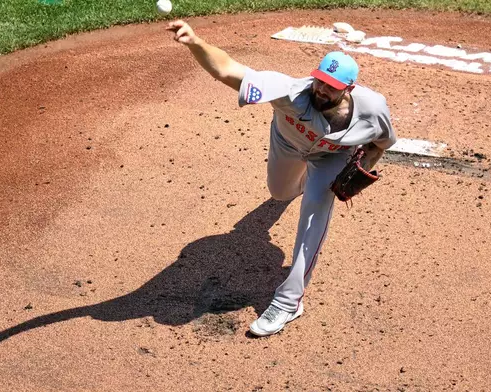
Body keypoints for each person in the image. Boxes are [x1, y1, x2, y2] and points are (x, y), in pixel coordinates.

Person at [166, 20, 397, 337]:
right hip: (287, 146)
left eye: (331, 86)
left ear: (349, 89)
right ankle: (305, 184)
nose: (322, 89)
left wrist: (365, 163)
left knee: (315, 209)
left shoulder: (373, 110)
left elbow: (382, 142)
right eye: (320, 81)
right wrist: (195, 42)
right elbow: (227, 70)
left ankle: (289, 302)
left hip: (332, 157)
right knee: (280, 192)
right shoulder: (288, 92)